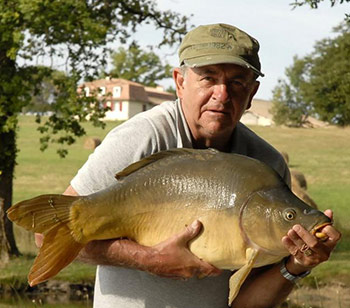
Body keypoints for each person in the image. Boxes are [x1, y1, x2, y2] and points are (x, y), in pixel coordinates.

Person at [36, 23, 341, 308]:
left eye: (237, 82)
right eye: (208, 77)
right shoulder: (142, 137)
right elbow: (46, 235)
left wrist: (298, 265)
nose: (222, 95)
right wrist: (148, 259)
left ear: (252, 93)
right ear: (180, 82)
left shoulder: (267, 164)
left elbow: (247, 304)